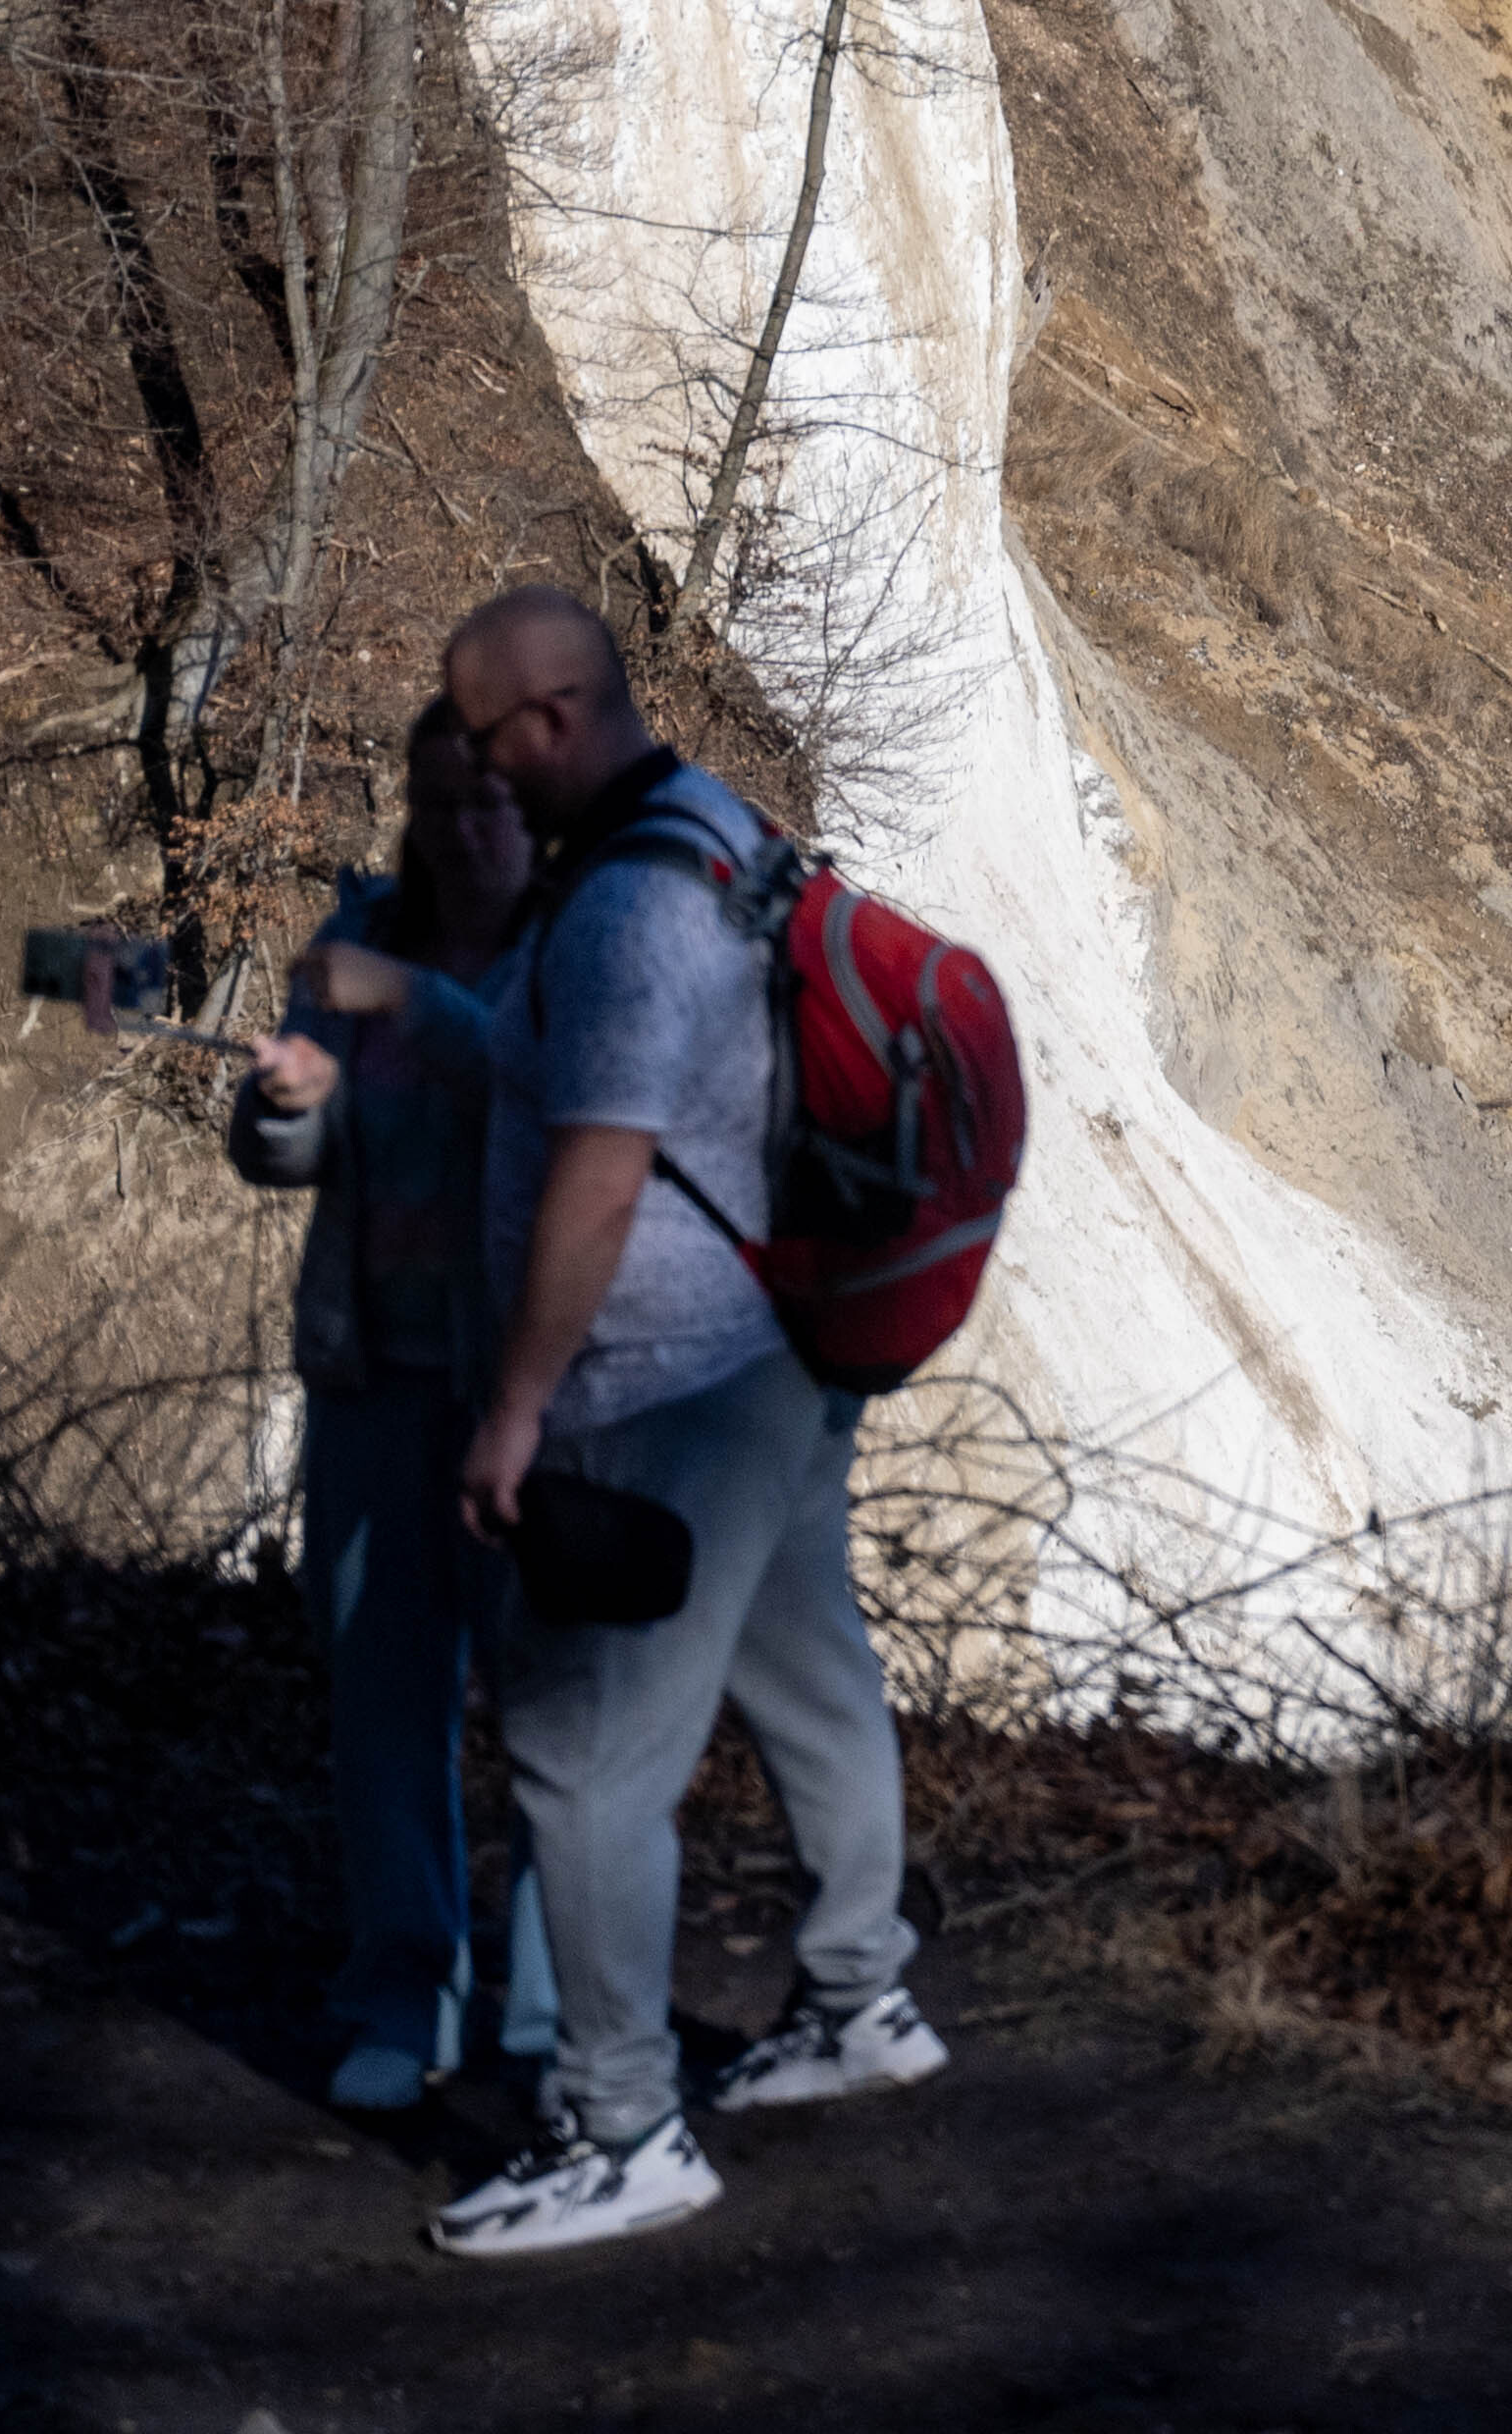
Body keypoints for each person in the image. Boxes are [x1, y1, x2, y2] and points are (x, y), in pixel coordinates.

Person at [416, 581, 939, 2262]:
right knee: (806, 1674)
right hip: (777, 1367)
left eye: (490, 745)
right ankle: (863, 1998)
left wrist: (517, 1405)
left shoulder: (632, 904)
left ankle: (622, 2124)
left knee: (580, 1761)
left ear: (552, 718)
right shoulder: (726, 830)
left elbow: (602, 1161)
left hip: (663, 1395)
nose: (484, 782)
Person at [229, 702, 561, 2112]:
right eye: (442, 806)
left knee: (559, 1703)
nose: (469, 833)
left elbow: (573, 1103)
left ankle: (554, 2011)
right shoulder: (358, 934)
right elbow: (270, 1156)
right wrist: (291, 1100)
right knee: (383, 1692)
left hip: (539, 1392)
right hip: (373, 1369)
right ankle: (404, 1990)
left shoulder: (579, 941)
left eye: (494, 806)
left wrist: (417, 1007)